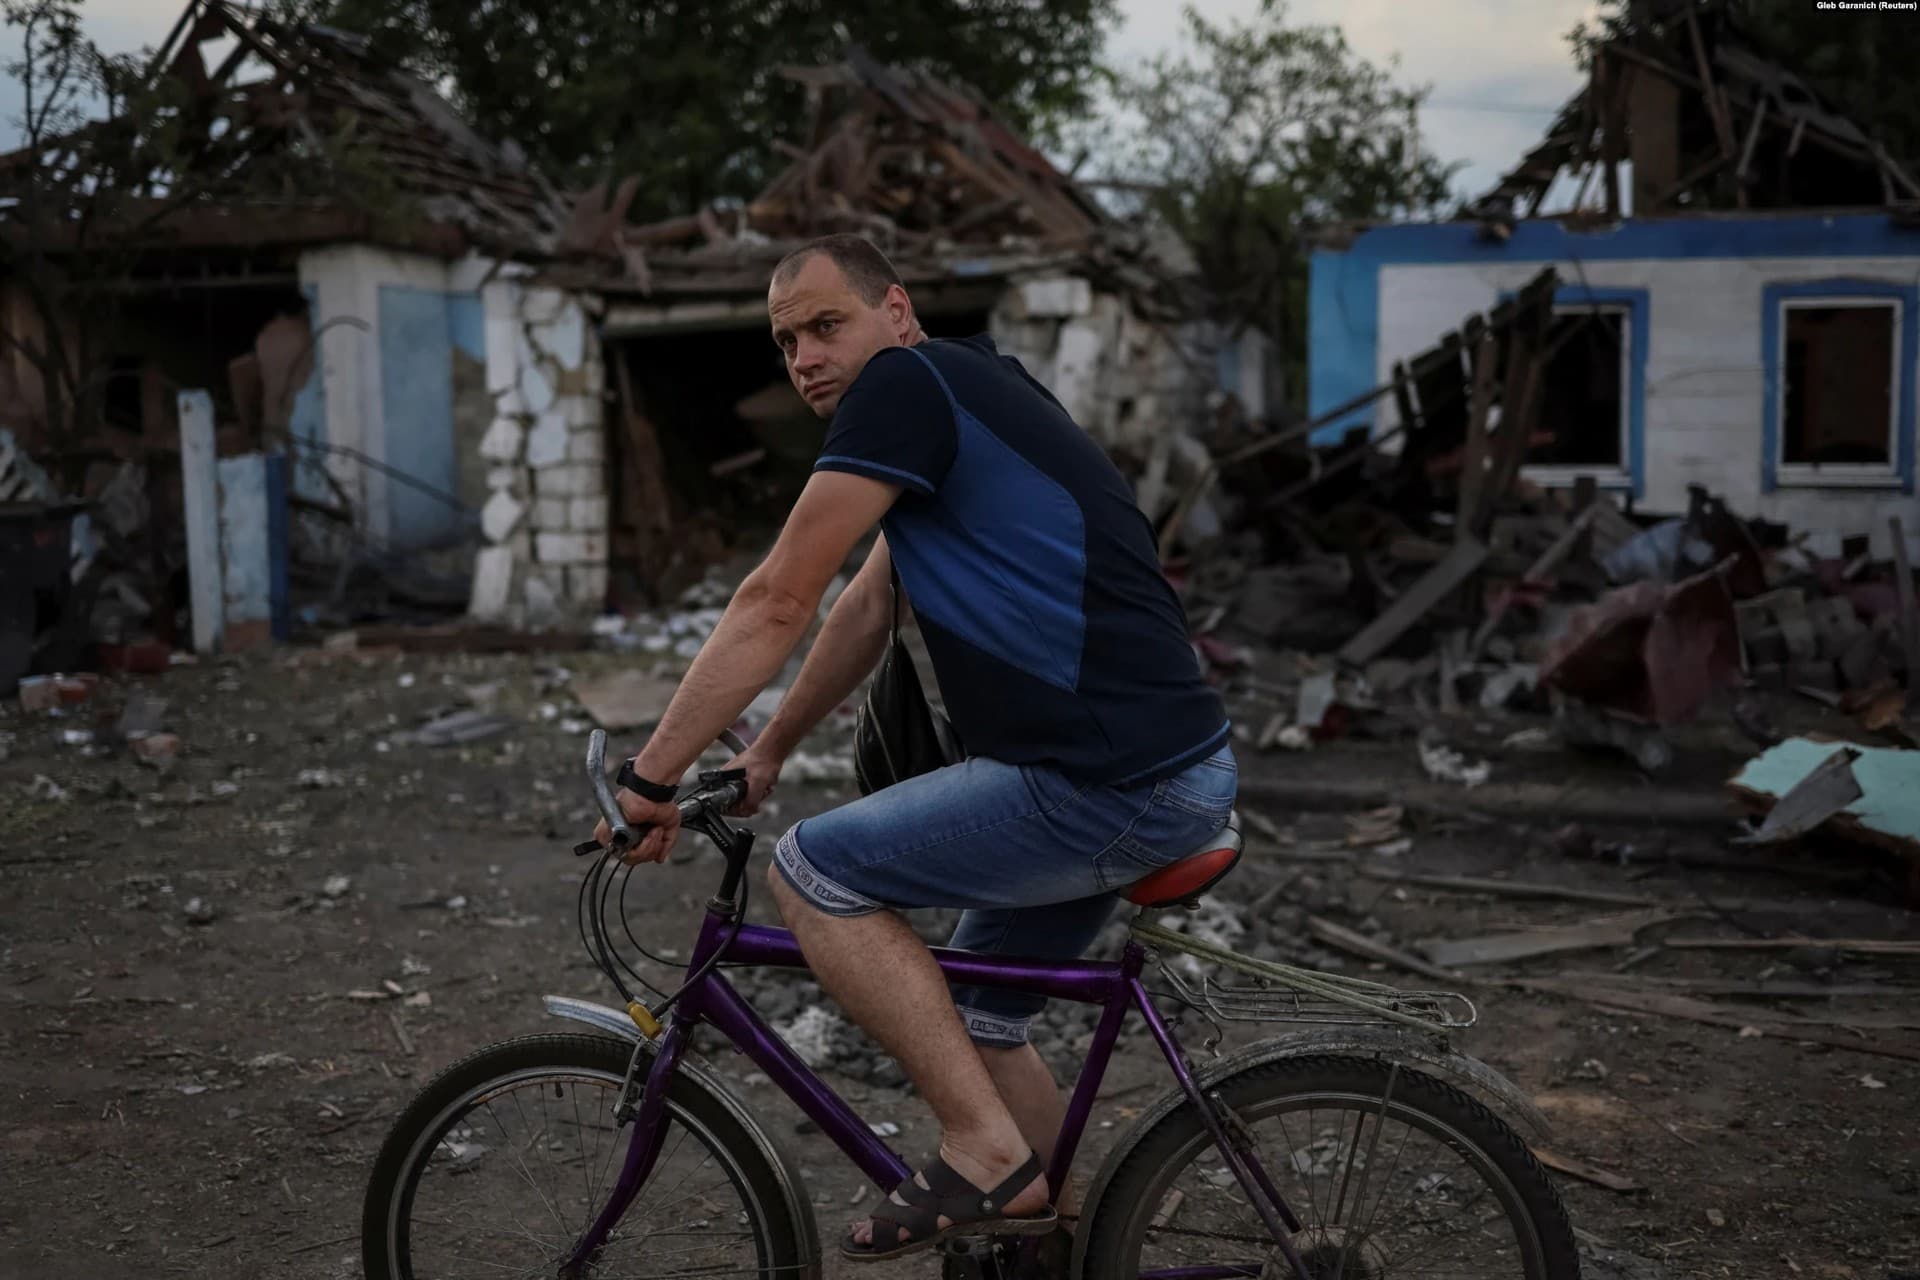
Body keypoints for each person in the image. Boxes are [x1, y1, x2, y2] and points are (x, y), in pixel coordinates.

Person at [591, 233, 1235, 1262]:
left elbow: (775, 596)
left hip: (1107, 780)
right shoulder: (967, 387)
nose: (804, 355)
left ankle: (984, 1152)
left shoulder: (900, 387)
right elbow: (862, 600)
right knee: (980, 1017)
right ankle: (1059, 1245)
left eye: (824, 324)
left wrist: (649, 774)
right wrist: (765, 751)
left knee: (813, 868)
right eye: (785, 340)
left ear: (894, 311)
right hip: (1155, 765)